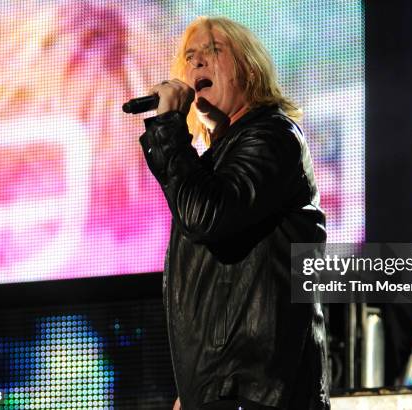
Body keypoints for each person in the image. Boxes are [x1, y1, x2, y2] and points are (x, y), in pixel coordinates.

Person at [139, 16, 330, 410]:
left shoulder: (272, 136)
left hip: (257, 391)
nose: (198, 63)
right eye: (190, 56)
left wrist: (168, 130)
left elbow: (206, 217)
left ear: (250, 69)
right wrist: (195, 390)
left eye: (213, 51)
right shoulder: (212, 163)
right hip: (226, 390)